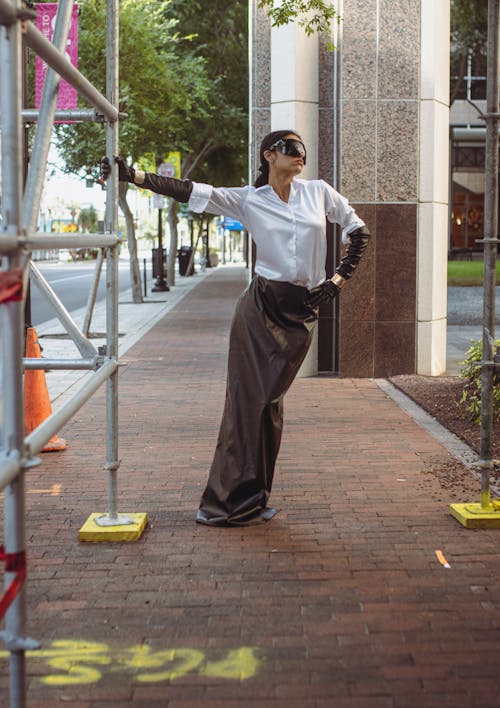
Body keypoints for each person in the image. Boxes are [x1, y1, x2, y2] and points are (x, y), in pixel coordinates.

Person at [101, 130, 370, 526]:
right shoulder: (249, 200)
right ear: (269, 155)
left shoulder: (318, 192)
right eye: (292, 149)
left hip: (301, 310)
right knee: (249, 403)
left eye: (303, 150)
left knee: (269, 404)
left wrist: (337, 281)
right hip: (260, 308)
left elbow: (358, 231)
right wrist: (135, 176)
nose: (301, 156)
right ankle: (226, 503)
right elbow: (191, 190)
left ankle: (253, 497)